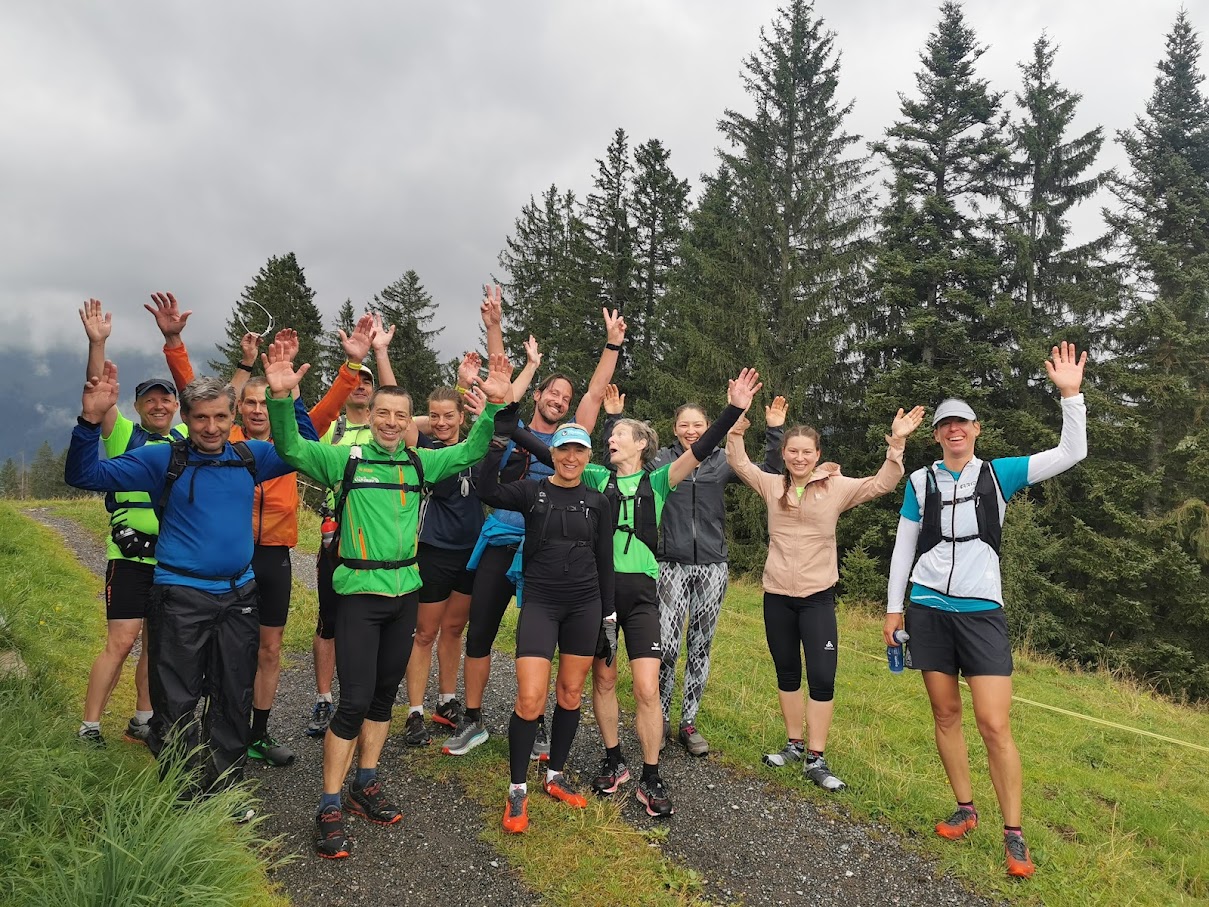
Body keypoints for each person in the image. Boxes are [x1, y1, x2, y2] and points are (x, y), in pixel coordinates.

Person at [262, 341, 513, 860]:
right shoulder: (344, 460)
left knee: (381, 697)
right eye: (384, 414)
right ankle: (329, 803)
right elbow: (290, 451)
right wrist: (283, 400)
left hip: (406, 592)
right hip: (358, 594)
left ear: (409, 421)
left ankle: (365, 782)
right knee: (353, 700)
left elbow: (469, 452)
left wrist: (490, 407)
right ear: (370, 415)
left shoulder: (420, 464)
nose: (392, 423)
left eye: (401, 416)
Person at [508, 371, 760, 817]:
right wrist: (506, 419)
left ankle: (650, 772)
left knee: (645, 686)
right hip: (597, 595)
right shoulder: (594, 474)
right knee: (602, 679)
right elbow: (548, 449)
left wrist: (735, 408)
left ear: (641, 444)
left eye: (619, 435)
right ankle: (612, 758)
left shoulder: (660, 480)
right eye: (609, 436)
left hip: (642, 594)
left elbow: (701, 449)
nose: (610, 441)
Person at [885, 342, 1087, 879]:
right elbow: (904, 548)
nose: (954, 431)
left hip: (981, 613)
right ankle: (966, 808)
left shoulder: (1001, 474)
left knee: (994, 723)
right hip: (927, 607)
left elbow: (1071, 454)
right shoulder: (921, 481)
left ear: (976, 430)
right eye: (946, 425)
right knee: (945, 714)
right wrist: (892, 611)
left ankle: (1014, 833)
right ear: (937, 435)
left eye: (963, 424)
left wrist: (1071, 395)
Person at [149, 292, 376, 765]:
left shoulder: (285, 449)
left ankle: (256, 732)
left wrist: (350, 368)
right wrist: (174, 343)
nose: (255, 410)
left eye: (261, 402)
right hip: (222, 559)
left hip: (271, 557)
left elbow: (330, 409)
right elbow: (195, 394)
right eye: (247, 403)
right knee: (211, 657)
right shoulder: (223, 438)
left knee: (268, 650)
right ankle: (192, 736)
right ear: (237, 408)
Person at [65, 361, 306, 804]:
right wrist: (88, 422)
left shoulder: (251, 456)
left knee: (233, 695)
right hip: (179, 595)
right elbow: (85, 476)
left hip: (240, 595)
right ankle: (181, 791)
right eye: (200, 417)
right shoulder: (164, 458)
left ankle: (223, 789)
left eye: (220, 417)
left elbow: (301, 449)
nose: (211, 427)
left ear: (232, 418)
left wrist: (285, 399)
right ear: (186, 418)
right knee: (176, 700)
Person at [443, 300, 622, 759]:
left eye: (566, 396)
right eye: (553, 393)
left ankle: (536, 722)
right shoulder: (515, 428)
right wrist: (495, 326)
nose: (559, 399)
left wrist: (612, 345)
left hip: (544, 553)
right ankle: (475, 719)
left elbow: (597, 393)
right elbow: (501, 385)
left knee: (541, 643)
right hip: (502, 538)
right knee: (479, 629)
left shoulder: (572, 440)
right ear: (539, 395)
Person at [728, 401, 924, 792]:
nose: (799, 457)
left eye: (806, 452)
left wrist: (896, 444)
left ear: (818, 455)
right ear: (783, 454)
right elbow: (741, 464)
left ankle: (817, 757)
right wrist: (736, 424)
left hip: (818, 598)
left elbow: (881, 483)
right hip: (776, 595)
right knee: (787, 673)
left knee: (821, 677)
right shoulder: (772, 484)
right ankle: (794, 745)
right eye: (792, 451)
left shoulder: (836, 488)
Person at [604, 397, 787, 756]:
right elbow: (621, 465)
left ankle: (688, 721)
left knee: (700, 646)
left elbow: (768, 471)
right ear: (675, 429)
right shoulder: (660, 462)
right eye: (684, 425)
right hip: (669, 564)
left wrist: (774, 430)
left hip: (712, 565)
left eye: (698, 426)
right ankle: (661, 717)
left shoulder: (721, 461)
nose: (691, 431)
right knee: (667, 648)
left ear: (706, 429)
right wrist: (613, 419)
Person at [476, 417, 615, 833]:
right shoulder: (532, 491)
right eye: (563, 449)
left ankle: (554, 775)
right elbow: (487, 491)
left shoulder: (598, 502)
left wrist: (608, 619)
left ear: (588, 456)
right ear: (552, 453)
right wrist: (497, 441)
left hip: (584, 605)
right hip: (541, 603)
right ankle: (517, 788)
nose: (571, 457)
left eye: (579, 450)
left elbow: (605, 563)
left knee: (571, 693)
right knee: (530, 699)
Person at [403, 332, 542, 745]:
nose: (442, 423)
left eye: (450, 417)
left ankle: (447, 700)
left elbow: (502, 412)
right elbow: (399, 420)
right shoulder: (425, 448)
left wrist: (474, 399)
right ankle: (413, 711)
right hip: (432, 550)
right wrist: (450, 403)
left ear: (463, 419)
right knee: (424, 632)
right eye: (435, 416)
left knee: (454, 630)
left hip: (469, 553)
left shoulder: (474, 448)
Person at [75, 299, 181, 747]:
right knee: (121, 641)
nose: (159, 405)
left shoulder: (184, 439)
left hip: (172, 557)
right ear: (137, 406)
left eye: (166, 398)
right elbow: (97, 393)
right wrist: (97, 343)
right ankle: (90, 725)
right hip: (130, 556)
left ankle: (143, 718)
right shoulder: (124, 434)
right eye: (150, 400)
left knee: (157, 646)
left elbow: (217, 402)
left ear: (176, 405)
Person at [306, 313, 402, 738]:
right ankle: (325, 698)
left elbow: (399, 398)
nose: (362, 385)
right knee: (329, 621)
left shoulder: (391, 430)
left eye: (368, 381)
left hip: (381, 549)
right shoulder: (332, 431)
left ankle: (360, 697)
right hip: (336, 538)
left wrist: (380, 354)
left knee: (366, 622)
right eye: (356, 380)